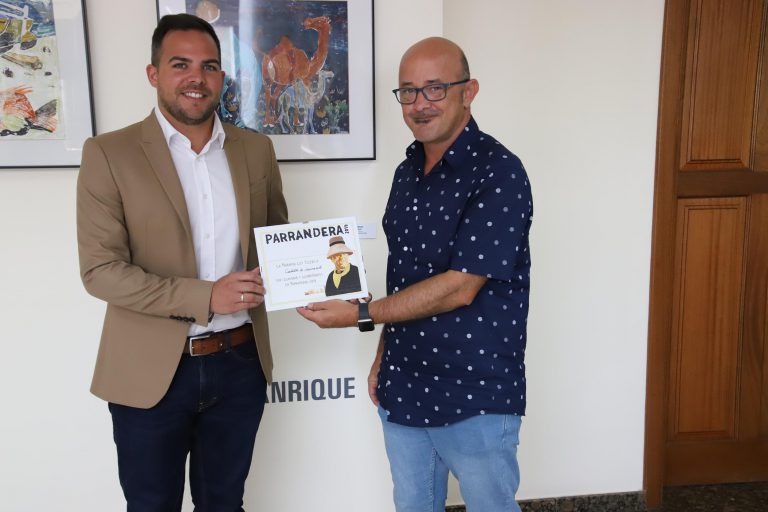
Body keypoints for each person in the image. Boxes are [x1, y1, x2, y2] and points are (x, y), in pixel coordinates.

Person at [298, 36, 532, 512]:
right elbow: (405, 275)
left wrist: (360, 315)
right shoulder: (407, 170)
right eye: (408, 91)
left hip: (475, 393)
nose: (419, 104)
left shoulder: (499, 172)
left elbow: (461, 286)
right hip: (404, 386)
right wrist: (384, 353)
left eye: (435, 88)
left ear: (469, 92)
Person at [76, 14, 288, 511]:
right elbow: (100, 270)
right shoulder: (110, 153)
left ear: (221, 76)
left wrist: (325, 279)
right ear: (154, 74)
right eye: (180, 64)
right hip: (149, 371)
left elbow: (276, 242)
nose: (197, 77)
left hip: (240, 363)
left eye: (209, 66)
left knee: (225, 504)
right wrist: (205, 296)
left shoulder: (256, 151)